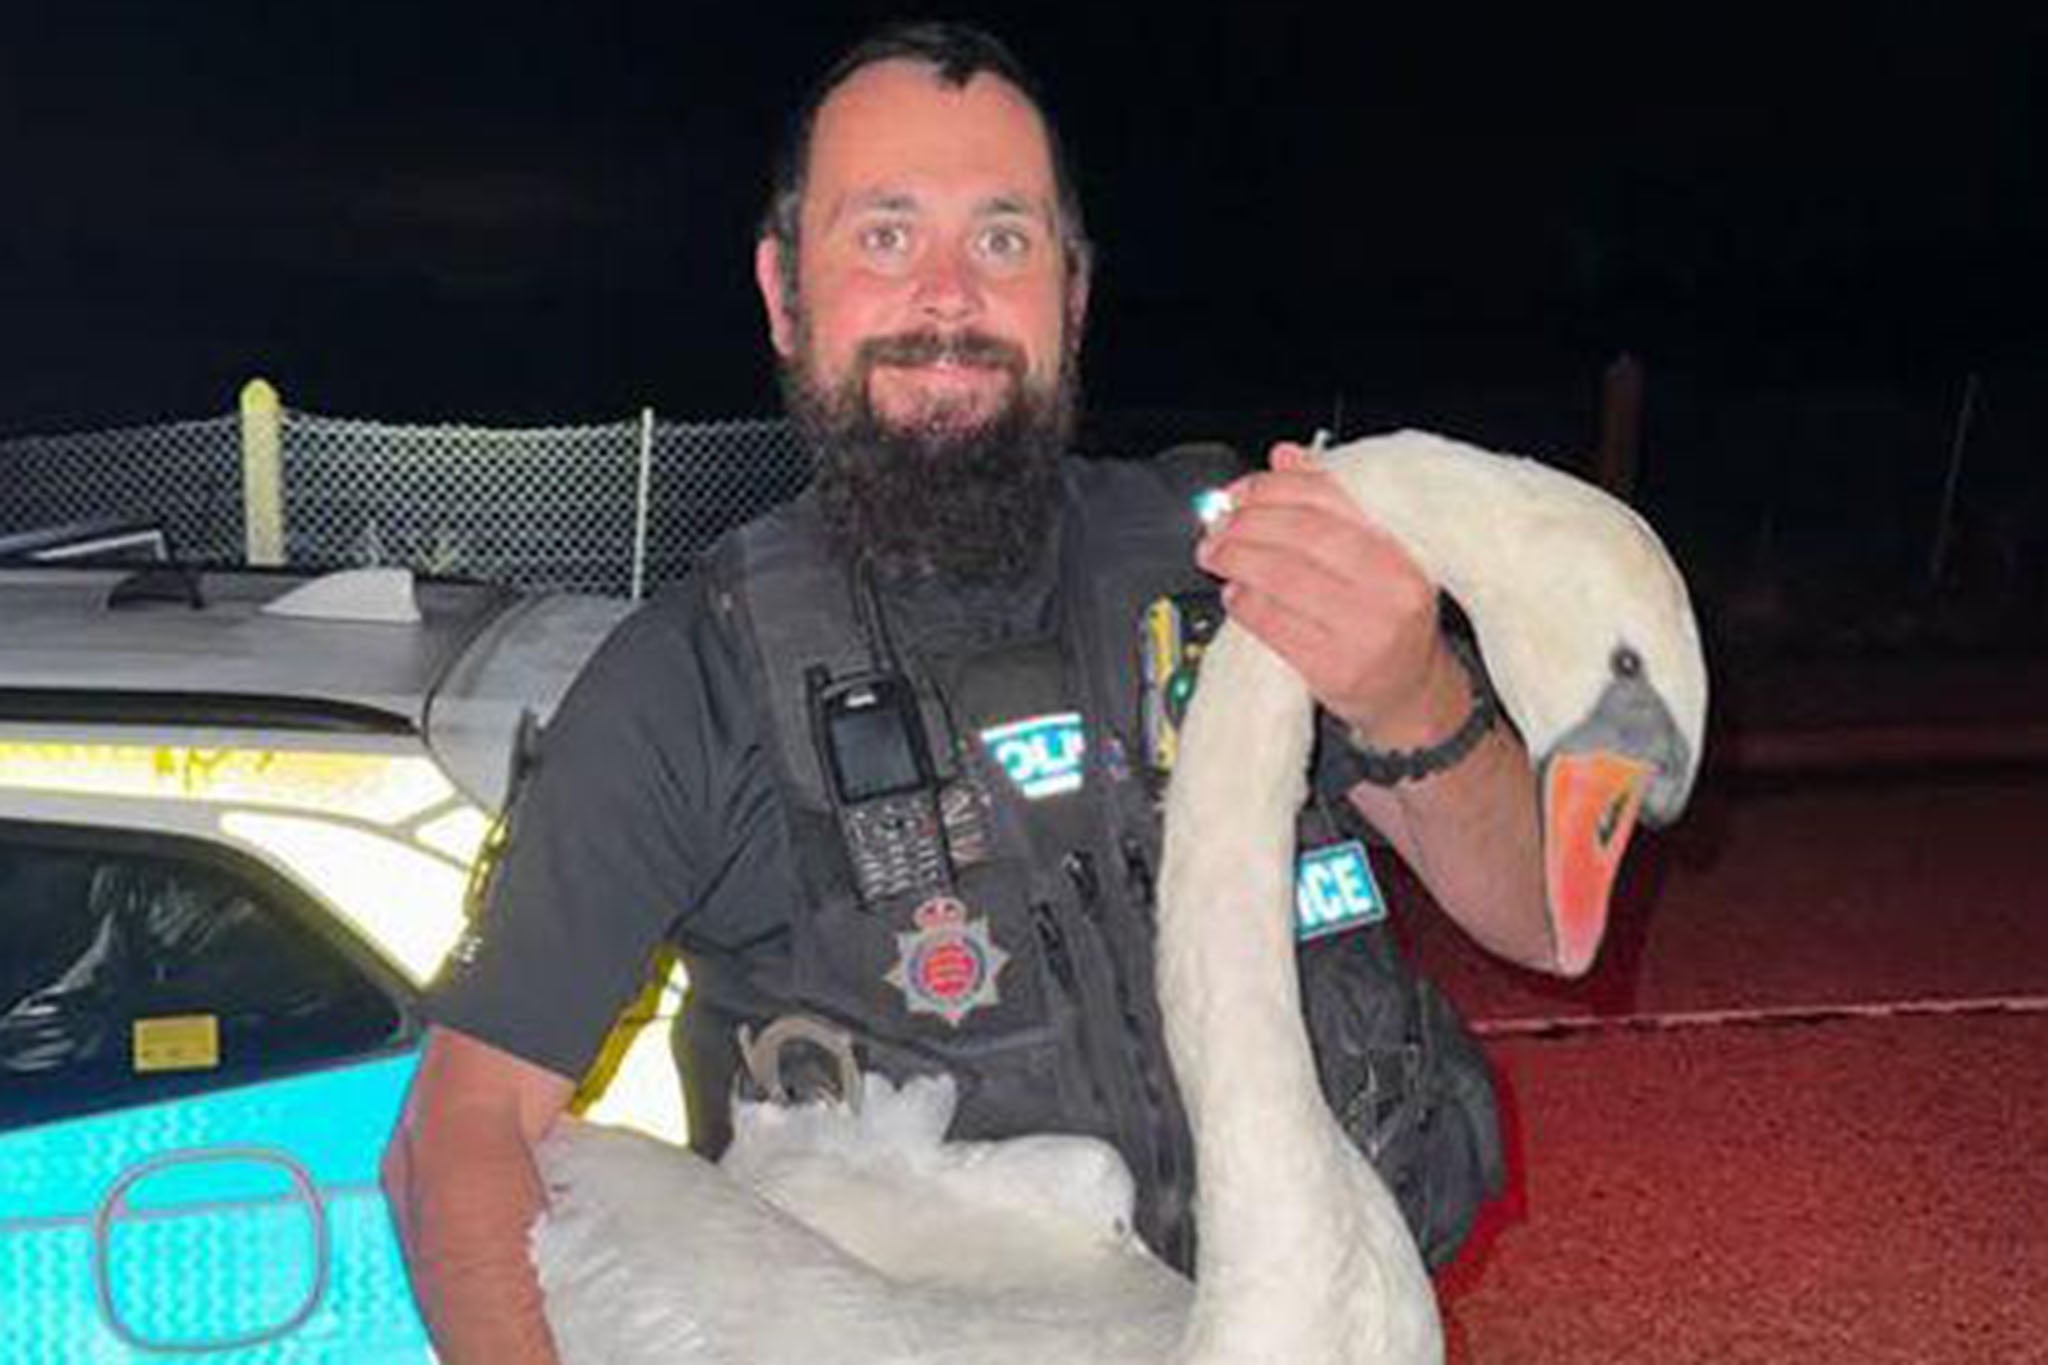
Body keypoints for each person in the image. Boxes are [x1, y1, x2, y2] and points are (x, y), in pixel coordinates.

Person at [383, 22, 1569, 1364]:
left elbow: (1539, 916)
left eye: (1003, 239)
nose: (948, 298)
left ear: (1072, 293)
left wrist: (1414, 688)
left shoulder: (1239, 567)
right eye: (884, 235)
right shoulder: (692, 678)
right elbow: (461, 1138)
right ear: (785, 293)